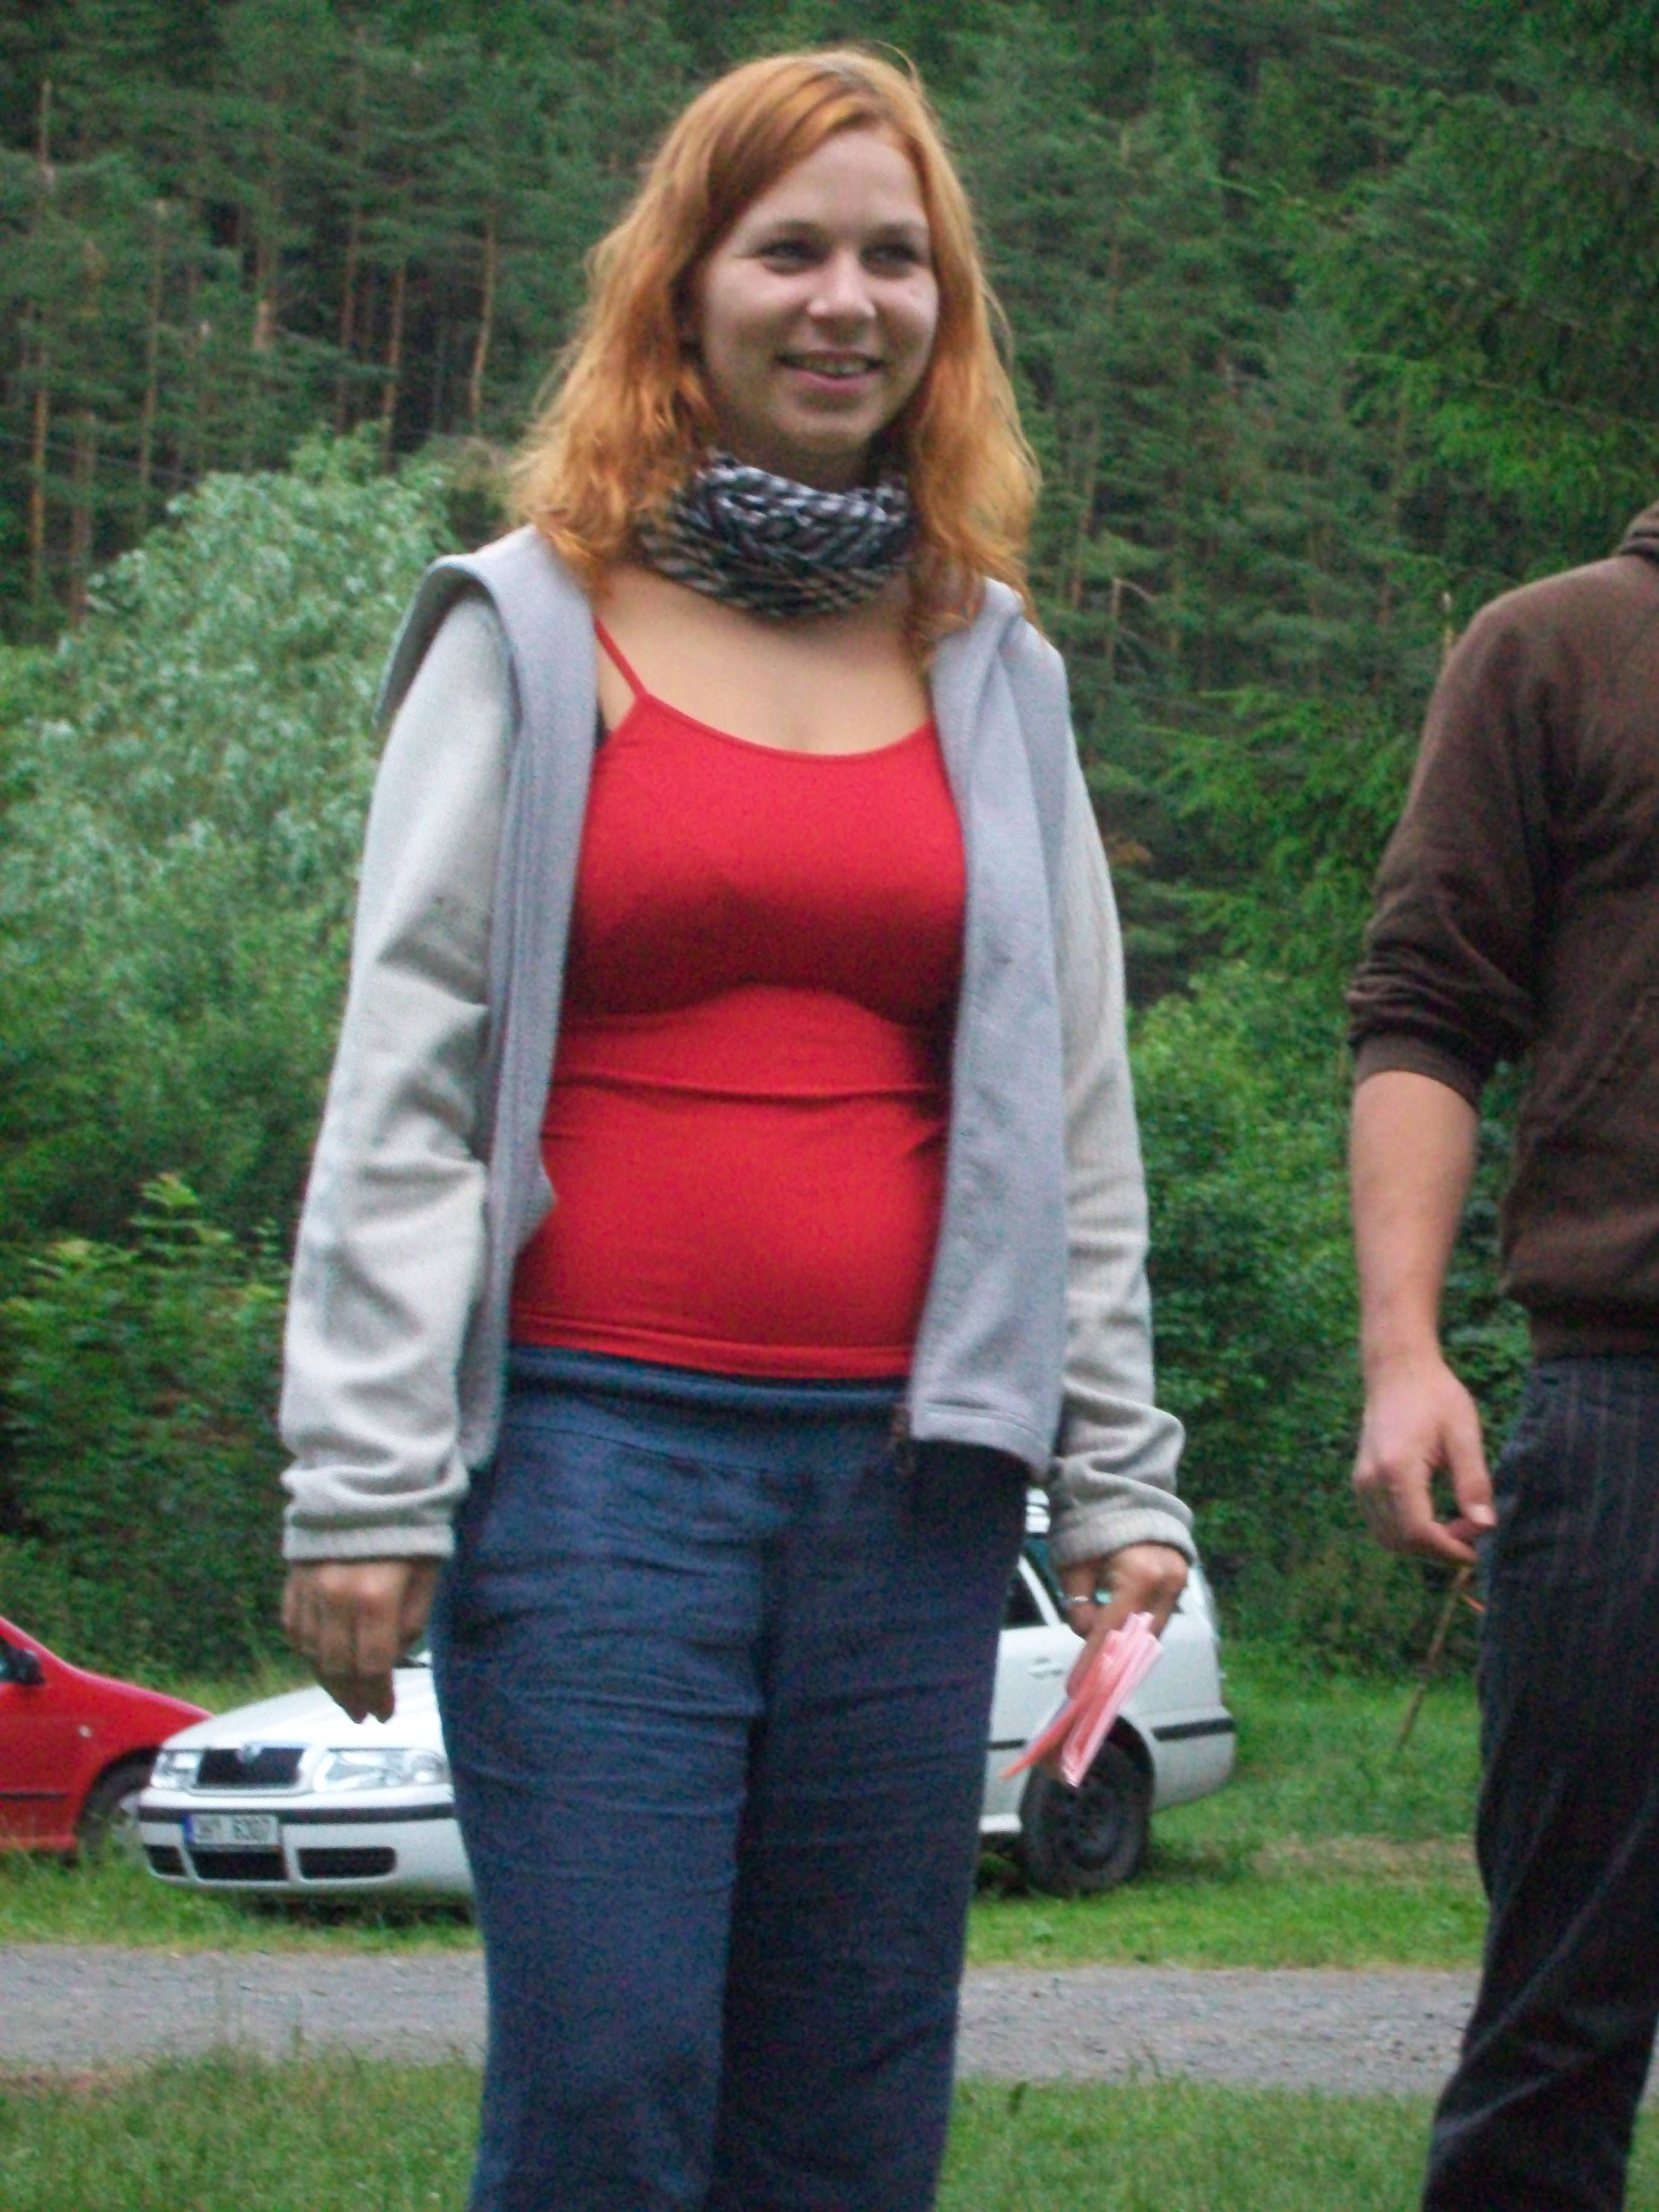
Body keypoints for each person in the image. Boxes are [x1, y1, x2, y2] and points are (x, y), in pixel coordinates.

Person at [279, 48, 1192, 2212]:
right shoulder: (527, 625)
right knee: (609, 2077)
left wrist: (1116, 1469)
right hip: (588, 1469)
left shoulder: (995, 667)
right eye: (788, 250)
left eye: (895, 257)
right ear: (681, 289)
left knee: (849, 2104)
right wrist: (360, 1480)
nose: (843, 300)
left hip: (918, 1489)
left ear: (943, 310)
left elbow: (1068, 1103)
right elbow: (407, 1069)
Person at [1347, 497, 1659, 2211]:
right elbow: (1425, 1005)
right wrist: (1405, 1350)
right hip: (1629, 1410)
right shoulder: (1557, 648)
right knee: (1559, 2029)